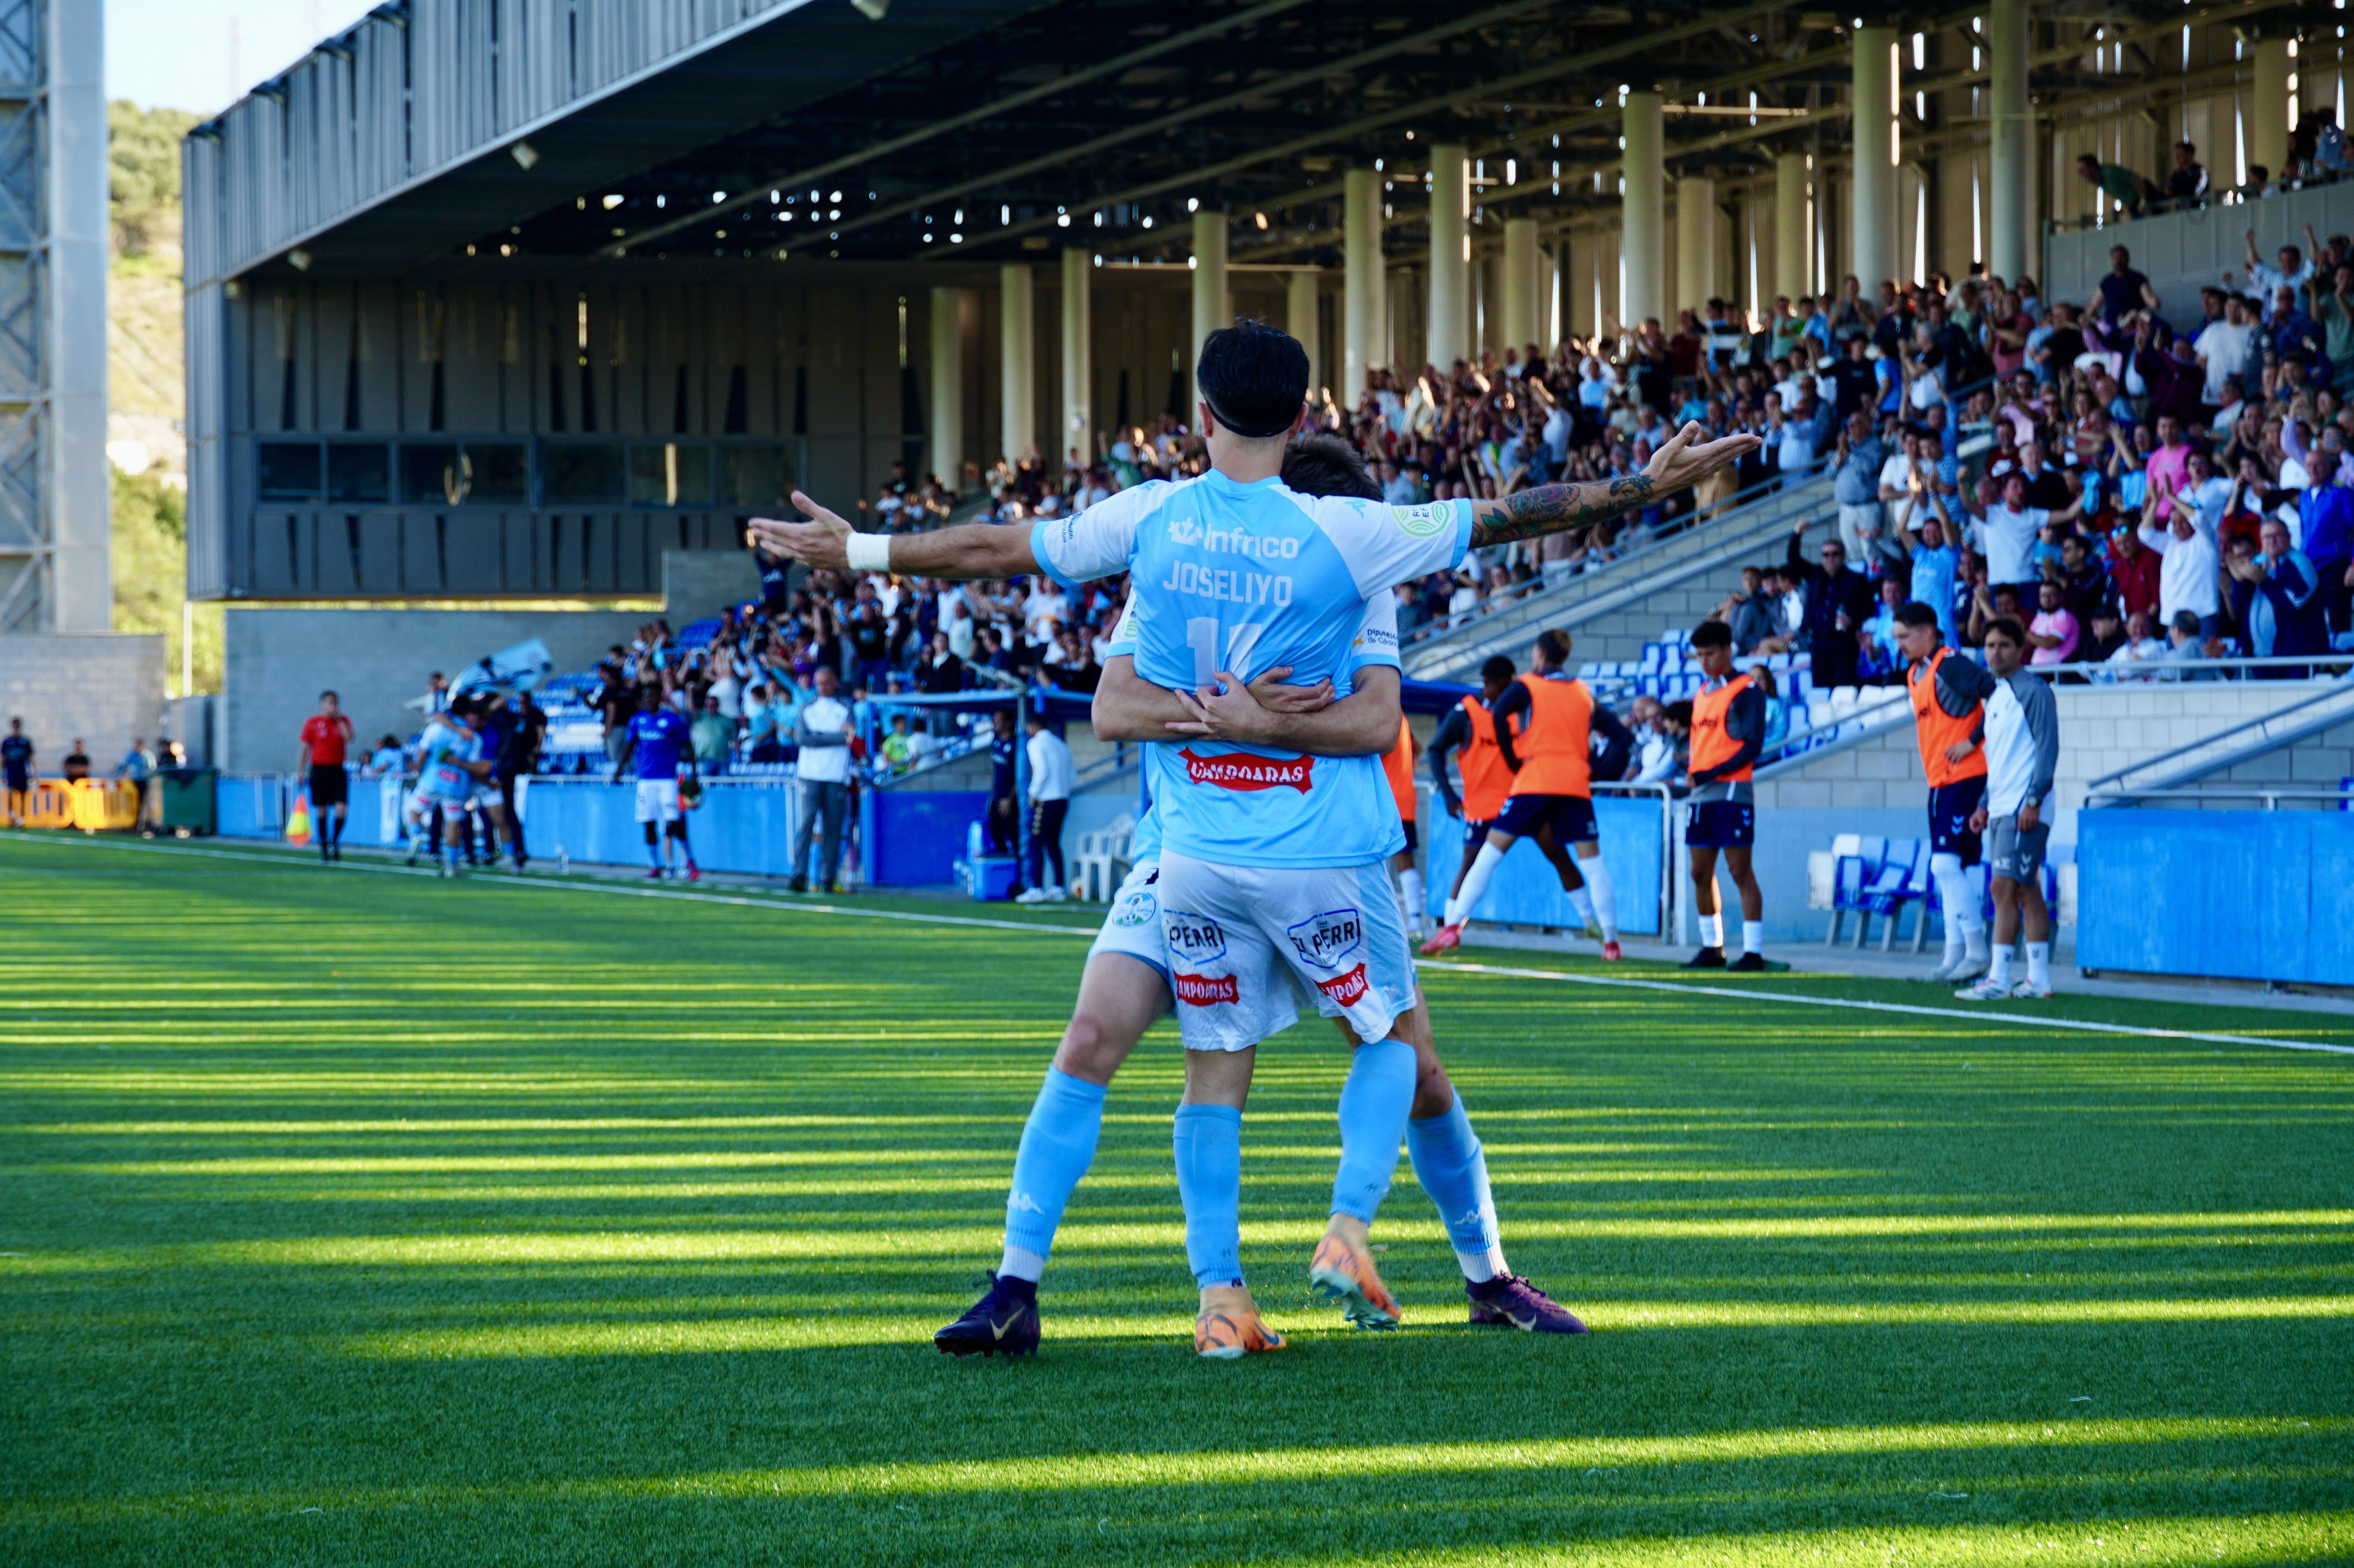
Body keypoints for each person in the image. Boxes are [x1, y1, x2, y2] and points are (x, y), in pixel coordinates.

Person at [751, 318, 1754, 1358]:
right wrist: (1643, 485)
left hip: (1210, 855)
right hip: (1277, 850)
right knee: (1355, 1052)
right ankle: (1261, 1257)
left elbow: (996, 546)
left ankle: (1415, 1276)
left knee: (1234, 1066)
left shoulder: (1157, 524)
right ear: (1306, 418)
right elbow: (1513, 514)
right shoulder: (1351, 543)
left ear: (1197, 414)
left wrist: (859, 550)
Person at [928, 437, 1593, 1360]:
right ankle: (1028, 1286)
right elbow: (1114, 707)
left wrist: (1251, 717)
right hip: (1187, 852)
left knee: (1411, 1066)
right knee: (1100, 1037)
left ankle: (1484, 1277)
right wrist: (1234, 707)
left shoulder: (1355, 585)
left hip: (1312, 851)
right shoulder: (1173, 568)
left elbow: (1373, 720)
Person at [1423, 628, 1634, 960]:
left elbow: (1496, 716)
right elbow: (1622, 736)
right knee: (1591, 863)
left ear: (1538, 653)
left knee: (1488, 856)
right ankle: (1611, 942)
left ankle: (1452, 928)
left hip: (1534, 781)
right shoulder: (1583, 693)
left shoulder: (1528, 685)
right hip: (1574, 785)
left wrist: (1513, 759)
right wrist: (1597, 774)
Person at [1955, 618, 2062, 1001]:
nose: (1995, 652)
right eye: (1989, 645)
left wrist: (2034, 799)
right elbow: (2000, 759)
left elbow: (2047, 750)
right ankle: (2038, 979)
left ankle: (1999, 979)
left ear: (2020, 649)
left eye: (2003, 645)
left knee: (2004, 888)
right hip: (2001, 807)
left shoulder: (2034, 691)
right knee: (2024, 889)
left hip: (2024, 808)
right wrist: (1984, 803)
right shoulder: (1997, 696)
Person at [1894, 603, 1997, 983]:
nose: (1900, 645)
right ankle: (1954, 957)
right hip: (1940, 783)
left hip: (1967, 777)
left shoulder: (1949, 665)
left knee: (1944, 864)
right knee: (1961, 869)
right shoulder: (1916, 674)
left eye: (1905, 637)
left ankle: (1976, 951)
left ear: (1927, 632)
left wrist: (1973, 741)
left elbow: (1996, 692)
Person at [1681, 621, 1772, 970]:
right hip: (1701, 792)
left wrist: (1710, 772)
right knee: (1699, 872)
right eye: (1700, 656)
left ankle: (1753, 951)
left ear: (1728, 650)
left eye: (1711, 654)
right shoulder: (1703, 692)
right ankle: (1712, 946)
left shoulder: (1747, 690)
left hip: (1732, 790)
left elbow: (1752, 746)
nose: (1705, 661)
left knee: (1739, 870)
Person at [611, 685, 700, 882]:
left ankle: (690, 862)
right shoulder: (638, 720)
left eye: (651, 696)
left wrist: (695, 775)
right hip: (645, 781)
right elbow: (629, 745)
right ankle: (655, 866)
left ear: (660, 698)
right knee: (648, 823)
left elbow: (688, 745)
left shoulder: (672, 721)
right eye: (645, 697)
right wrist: (619, 769)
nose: (648, 700)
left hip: (667, 780)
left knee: (674, 823)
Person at [789, 665, 852, 894]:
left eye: (827, 682)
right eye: (819, 683)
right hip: (809, 775)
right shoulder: (807, 709)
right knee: (806, 824)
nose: (823, 687)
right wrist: (832, 737)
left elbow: (848, 737)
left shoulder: (845, 708)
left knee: (832, 828)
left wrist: (819, 736)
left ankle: (828, 878)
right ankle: (799, 874)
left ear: (835, 683)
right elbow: (802, 739)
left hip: (835, 775)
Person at [1014, 709, 1073, 904]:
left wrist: (1034, 794)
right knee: (1053, 843)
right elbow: (1072, 774)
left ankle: (1036, 888)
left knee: (1035, 843)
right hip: (1063, 799)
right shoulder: (1060, 744)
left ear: (1032, 727)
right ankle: (1059, 887)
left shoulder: (1036, 743)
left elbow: (1041, 771)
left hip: (1046, 801)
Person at [2, 717, 30, 826]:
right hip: (11, 772)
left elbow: (30, 758)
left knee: (23, 795)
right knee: (11, 793)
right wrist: (2, 773)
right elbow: (3, 758)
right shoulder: (7, 742)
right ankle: (12, 815)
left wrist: (34, 772)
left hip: (22, 772)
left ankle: (22, 819)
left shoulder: (25, 741)